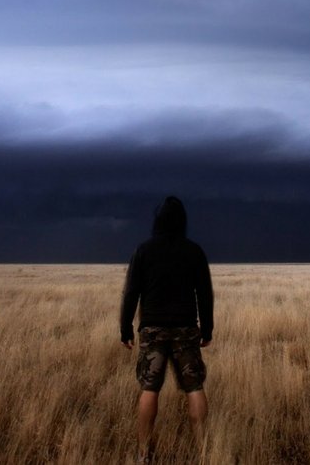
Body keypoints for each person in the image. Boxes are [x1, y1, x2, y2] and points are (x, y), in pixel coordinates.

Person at [119, 196, 214, 464]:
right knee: (195, 386)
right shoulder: (194, 251)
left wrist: (125, 329)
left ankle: (143, 455)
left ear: (157, 221)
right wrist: (207, 329)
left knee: (150, 388)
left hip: (153, 331)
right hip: (185, 330)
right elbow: (205, 295)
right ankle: (204, 454)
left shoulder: (143, 250)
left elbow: (131, 294)